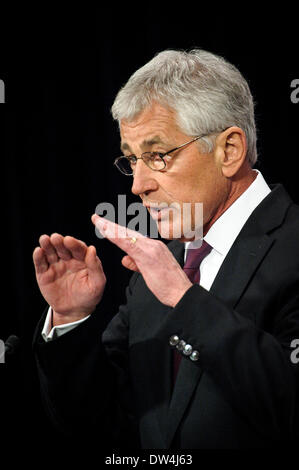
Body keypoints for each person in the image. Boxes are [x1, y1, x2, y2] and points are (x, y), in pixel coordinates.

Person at [32, 49, 299, 449]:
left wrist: (184, 299)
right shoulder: (164, 267)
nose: (138, 185)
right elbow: (97, 421)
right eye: (131, 160)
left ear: (229, 151)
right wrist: (72, 320)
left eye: (157, 156)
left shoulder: (290, 247)